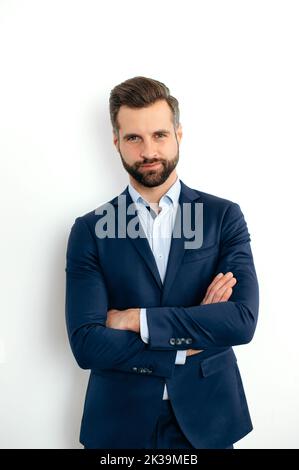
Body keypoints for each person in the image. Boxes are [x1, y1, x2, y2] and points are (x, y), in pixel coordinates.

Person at [65, 76, 259, 449]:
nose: (148, 150)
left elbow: (241, 321)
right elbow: (86, 344)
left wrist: (136, 319)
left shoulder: (222, 217)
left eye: (159, 135)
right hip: (119, 421)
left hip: (210, 418)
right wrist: (186, 343)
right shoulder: (89, 231)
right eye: (134, 138)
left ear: (178, 135)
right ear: (116, 142)